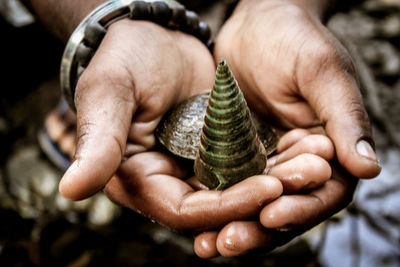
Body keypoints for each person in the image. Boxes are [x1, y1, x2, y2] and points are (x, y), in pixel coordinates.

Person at [23, 0, 381, 259]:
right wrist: (105, 22)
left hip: (241, 29)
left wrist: (286, 6)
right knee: (107, 95)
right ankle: (106, 82)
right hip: (154, 30)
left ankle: (113, 96)